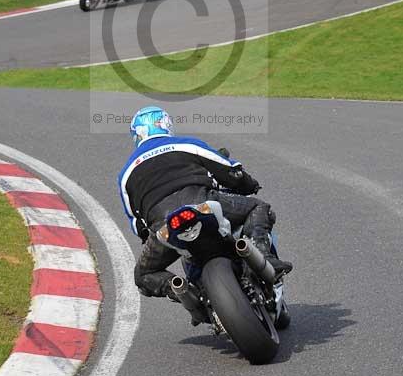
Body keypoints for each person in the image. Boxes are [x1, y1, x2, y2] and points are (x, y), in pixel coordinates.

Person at [118, 106, 293, 301]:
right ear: (166, 125)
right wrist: (248, 184)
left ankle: (186, 293)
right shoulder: (185, 145)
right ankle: (265, 257)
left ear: (137, 135)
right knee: (258, 207)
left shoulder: (126, 173)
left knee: (143, 275)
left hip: (164, 225)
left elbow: (136, 223)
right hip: (201, 203)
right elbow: (229, 170)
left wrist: (150, 234)